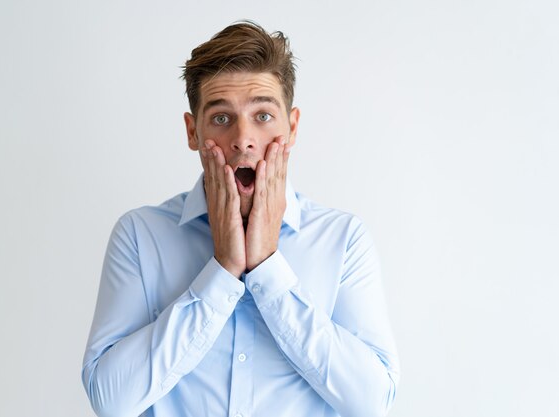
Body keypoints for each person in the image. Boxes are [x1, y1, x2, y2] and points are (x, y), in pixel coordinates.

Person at [82, 21, 400, 417]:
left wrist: (268, 267)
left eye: (263, 116)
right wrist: (222, 271)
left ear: (293, 126)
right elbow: (111, 402)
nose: (243, 138)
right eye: (220, 118)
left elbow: (373, 402)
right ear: (192, 131)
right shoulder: (139, 235)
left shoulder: (343, 239)